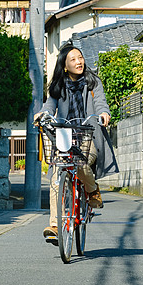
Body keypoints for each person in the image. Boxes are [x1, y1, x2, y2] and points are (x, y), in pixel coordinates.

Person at [34, 44, 118, 243]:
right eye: (73, 59)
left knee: (80, 163)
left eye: (80, 57)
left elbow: (100, 103)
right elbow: (49, 105)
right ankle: (55, 225)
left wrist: (104, 113)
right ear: (64, 66)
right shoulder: (57, 85)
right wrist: (42, 113)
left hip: (88, 136)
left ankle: (91, 188)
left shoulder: (92, 81)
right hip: (64, 137)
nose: (78, 62)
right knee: (57, 173)